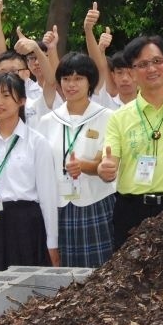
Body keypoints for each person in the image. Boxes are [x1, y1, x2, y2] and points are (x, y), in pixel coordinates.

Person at [99, 35, 163, 248]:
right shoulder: (119, 117)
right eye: (143, 64)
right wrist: (105, 169)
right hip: (131, 209)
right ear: (132, 72)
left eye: (157, 61)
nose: (152, 69)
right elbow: (109, 162)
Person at [0, 73, 60, 280]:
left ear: (22, 101)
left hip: (26, 223)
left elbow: (48, 196)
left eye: (6, 96)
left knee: (26, 292)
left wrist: (51, 242)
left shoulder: (36, 142)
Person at [35, 53, 116, 267]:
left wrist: (84, 165)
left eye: (79, 78)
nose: (71, 85)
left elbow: (105, 160)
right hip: (58, 205)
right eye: (66, 79)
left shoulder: (107, 117)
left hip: (96, 201)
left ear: (90, 82)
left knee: (102, 270)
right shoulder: (47, 121)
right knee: (65, 274)